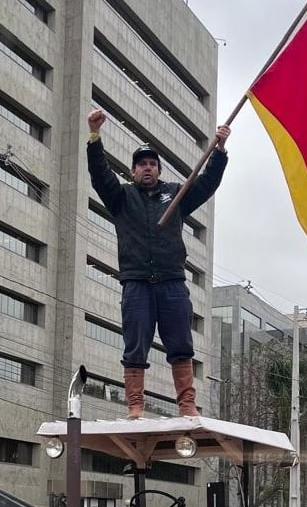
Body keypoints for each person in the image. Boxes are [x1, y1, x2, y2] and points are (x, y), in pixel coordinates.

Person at [86, 108, 231, 418]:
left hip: (172, 283)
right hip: (136, 283)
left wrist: (218, 152)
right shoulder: (121, 197)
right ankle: (135, 405)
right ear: (133, 171)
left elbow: (206, 184)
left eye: (152, 164)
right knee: (135, 344)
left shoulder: (175, 195)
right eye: (142, 164)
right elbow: (99, 175)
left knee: (181, 343)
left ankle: (187, 405)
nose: (147, 168)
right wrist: (94, 137)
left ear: (159, 170)